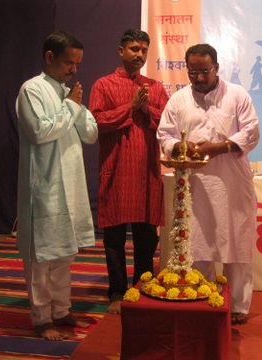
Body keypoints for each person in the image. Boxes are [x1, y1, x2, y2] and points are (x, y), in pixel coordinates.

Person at [157, 43, 260, 325]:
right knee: (198, 242)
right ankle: (201, 294)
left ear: (216, 68)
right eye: (193, 72)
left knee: (237, 243)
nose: (199, 78)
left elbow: (251, 132)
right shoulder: (178, 100)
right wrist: (178, 147)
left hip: (232, 184)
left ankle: (238, 305)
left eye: (204, 71)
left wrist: (219, 147)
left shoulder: (237, 95)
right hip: (196, 186)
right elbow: (163, 133)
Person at [15, 31, 98, 340]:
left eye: (77, 63)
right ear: (49, 58)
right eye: (68, 63)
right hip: (45, 186)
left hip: (71, 185)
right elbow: (39, 132)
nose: (73, 70)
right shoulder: (31, 90)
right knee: (42, 259)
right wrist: (71, 107)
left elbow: (90, 134)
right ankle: (41, 318)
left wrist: (74, 107)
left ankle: (61, 311)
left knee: (64, 255)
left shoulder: (67, 94)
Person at [89, 29, 169, 314]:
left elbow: (168, 124)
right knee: (113, 238)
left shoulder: (156, 87)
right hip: (116, 170)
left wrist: (147, 110)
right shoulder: (104, 85)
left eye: (144, 49)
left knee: (148, 236)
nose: (140, 54)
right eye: (134, 49)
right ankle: (117, 290)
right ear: (120, 51)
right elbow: (96, 122)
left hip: (147, 171)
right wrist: (130, 107)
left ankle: (143, 286)